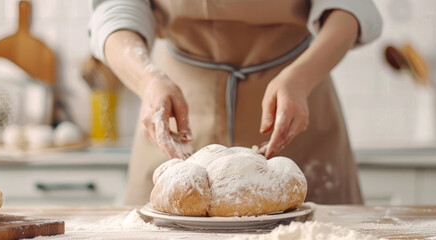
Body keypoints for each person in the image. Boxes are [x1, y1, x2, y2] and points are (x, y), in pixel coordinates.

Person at [89, 0, 382, 205]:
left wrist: (302, 77)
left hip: (295, 98)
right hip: (175, 107)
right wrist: (147, 80)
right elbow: (116, 8)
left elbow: (349, 7)